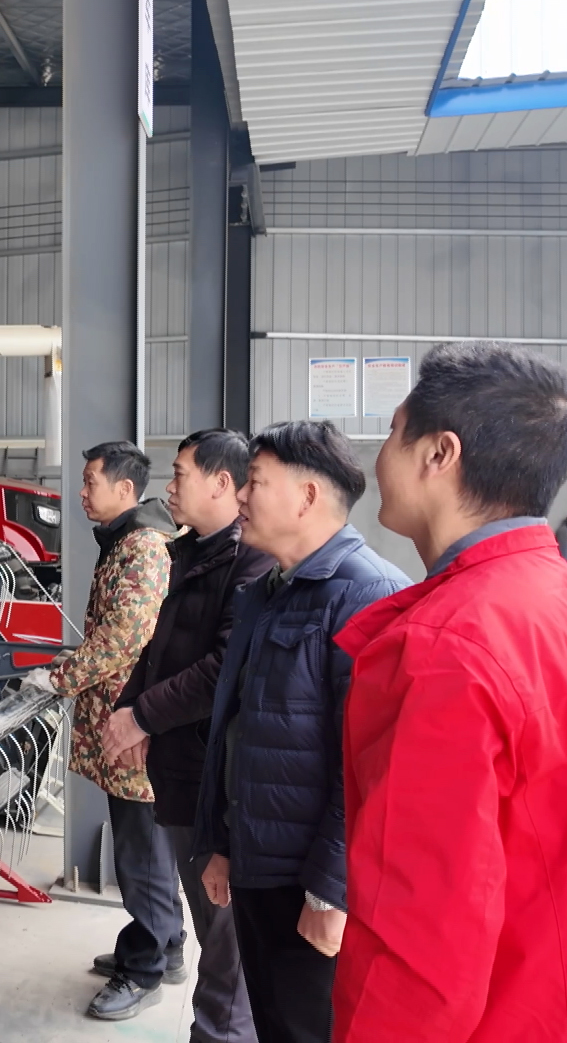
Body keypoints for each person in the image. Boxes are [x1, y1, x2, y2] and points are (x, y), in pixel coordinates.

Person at [334, 343, 567, 1041]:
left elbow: (417, 949)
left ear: (439, 454)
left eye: (393, 431)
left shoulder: (442, 649)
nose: (379, 454)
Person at [193, 421, 408, 1043]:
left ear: (308, 496)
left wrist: (330, 893)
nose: (240, 496)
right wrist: (223, 842)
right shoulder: (267, 591)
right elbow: (241, 728)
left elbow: (369, 766)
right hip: (258, 864)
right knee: (271, 1021)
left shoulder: (368, 594)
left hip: (307, 884)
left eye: (256, 482)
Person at [103, 429, 271, 1043]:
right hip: (180, 773)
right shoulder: (190, 551)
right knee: (209, 927)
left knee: (226, 955)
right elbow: (157, 648)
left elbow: (222, 667)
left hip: (215, 782)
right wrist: (130, 708)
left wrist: (142, 716)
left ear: (221, 483)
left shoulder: (250, 563)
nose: (168, 488)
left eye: (179, 475)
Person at [47, 440, 178, 1020]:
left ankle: (143, 970)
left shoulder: (142, 547)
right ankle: (167, 948)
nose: (81, 492)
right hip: (125, 719)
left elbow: (124, 637)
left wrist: (59, 679)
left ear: (125, 489)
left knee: (140, 854)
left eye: (90, 481)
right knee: (149, 847)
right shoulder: (124, 541)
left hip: (132, 727)